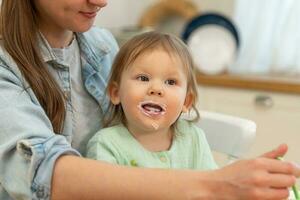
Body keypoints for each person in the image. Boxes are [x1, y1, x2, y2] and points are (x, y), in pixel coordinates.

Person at [0, 1, 299, 200]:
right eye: (143, 79)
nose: (102, 1)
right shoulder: (6, 65)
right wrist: (218, 184)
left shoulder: (101, 46)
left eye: (170, 82)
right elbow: (45, 174)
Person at [86, 31, 218, 171]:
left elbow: (212, 188)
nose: (156, 89)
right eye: (143, 78)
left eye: (170, 82)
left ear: (186, 101)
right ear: (116, 93)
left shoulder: (194, 138)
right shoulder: (106, 144)